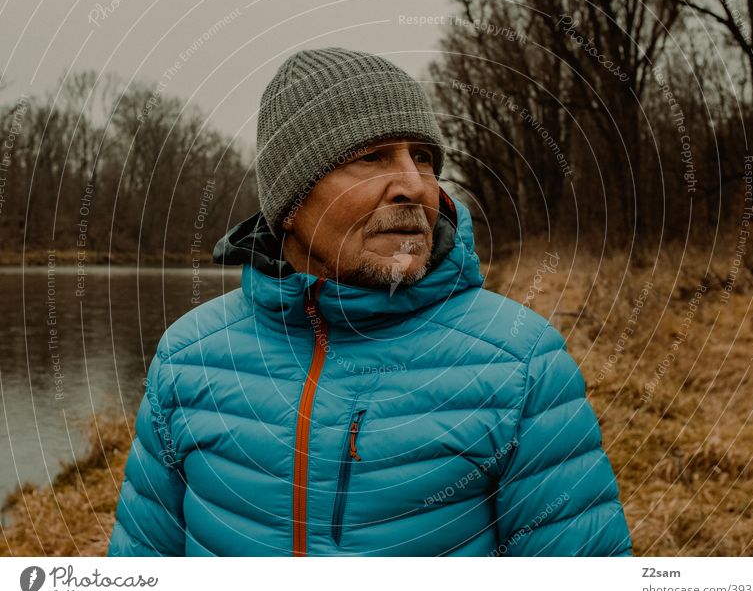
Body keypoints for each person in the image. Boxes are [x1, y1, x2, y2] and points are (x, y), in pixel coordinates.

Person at [107, 46, 633, 556]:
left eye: (423, 159)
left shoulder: (520, 360)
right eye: (371, 157)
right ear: (290, 204)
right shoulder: (188, 357)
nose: (413, 185)